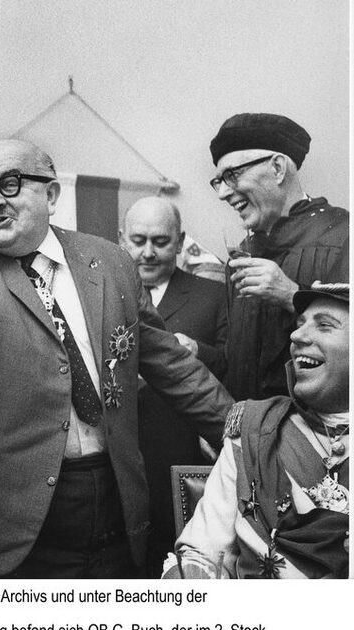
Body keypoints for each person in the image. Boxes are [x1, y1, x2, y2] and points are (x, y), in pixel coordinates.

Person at [0, 138, 233, 578]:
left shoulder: (109, 261)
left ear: (50, 195)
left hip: (112, 497)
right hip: (8, 518)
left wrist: (246, 439)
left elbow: (172, 365)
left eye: (10, 184)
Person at [165, 281, 349, 579]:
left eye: (325, 326)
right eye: (299, 324)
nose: (297, 335)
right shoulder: (254, 427)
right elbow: (202, 552)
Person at [120, 196, 229, 576]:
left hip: (184, 456)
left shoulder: (214, 295)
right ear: (121, 239)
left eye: (161, 242)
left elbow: (236, 363)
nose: (147, 253)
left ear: (180, 242)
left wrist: (200, 351)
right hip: (120, 458)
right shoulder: (102, 296)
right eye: (138, 240)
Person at [210, 113, 348, 401]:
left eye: (231, 175)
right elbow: (230, 356)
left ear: (277, 167)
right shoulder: (243, 251)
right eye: (218, 180)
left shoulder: (343, 237)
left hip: (315, 437)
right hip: (248, 431)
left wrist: (291, 295)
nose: (223, 193)